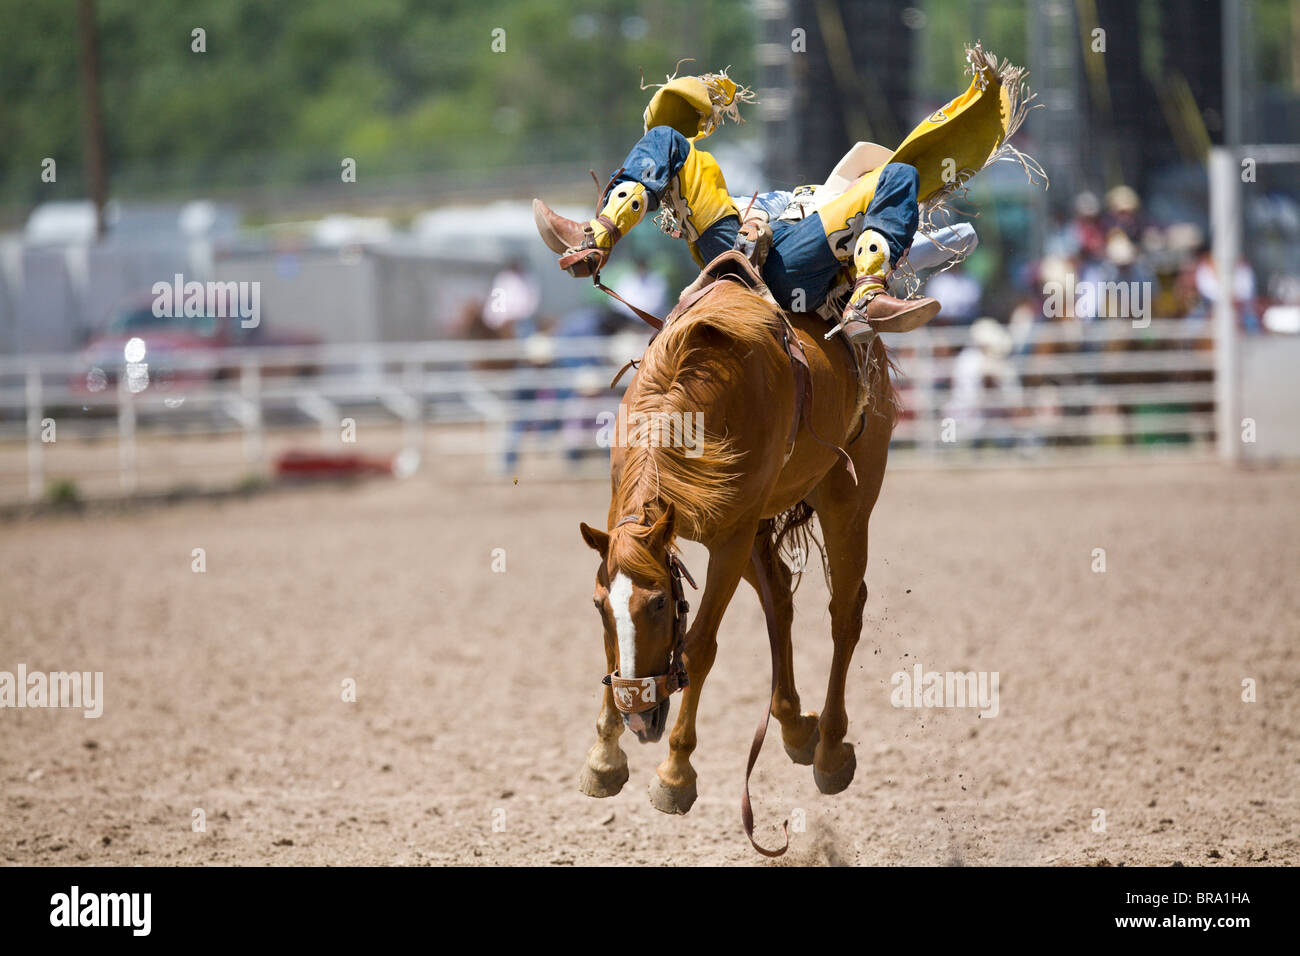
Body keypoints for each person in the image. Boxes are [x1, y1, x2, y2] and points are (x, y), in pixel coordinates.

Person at [533, 47, 1038, 344]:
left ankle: (868, 299)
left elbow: (962, 234)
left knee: (901, 176)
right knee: (670, 143)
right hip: (732, 244)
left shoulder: (868, 202)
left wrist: (900, 232)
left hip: (797, 264)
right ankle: (595, 236)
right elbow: (870, 162)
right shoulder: (846, 186)